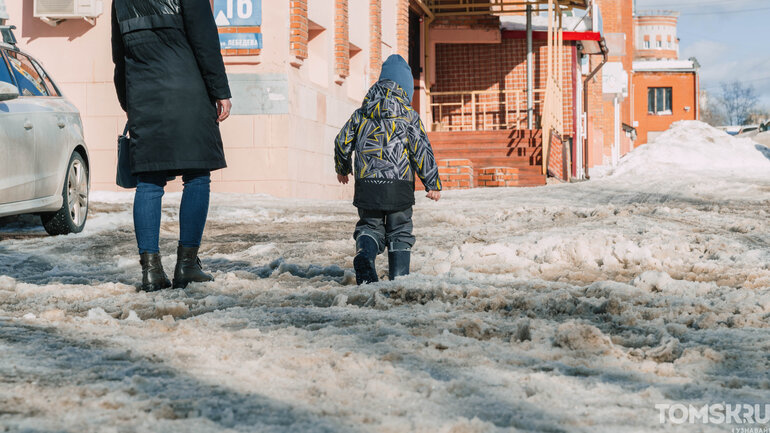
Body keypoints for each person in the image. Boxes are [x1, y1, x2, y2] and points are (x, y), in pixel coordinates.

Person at [111, 0, 232, 291]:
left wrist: (129, 103)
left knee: (149, 182)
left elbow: (119, 56)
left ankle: (151, 272)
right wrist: (220, 91)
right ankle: (187, 265)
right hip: (188, 92)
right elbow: (205, 40)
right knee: (197, 176)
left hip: (144, 97)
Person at [334, 54, 442, 285]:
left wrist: (342, 167)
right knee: (400, 230)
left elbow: (341, 141)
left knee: (369, 226)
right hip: (399, 186)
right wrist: (431, 183)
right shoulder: (409, 116)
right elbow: (421, 149)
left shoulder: (361, 113)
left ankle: (365, 255)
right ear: (405, 89)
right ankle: (399, 280)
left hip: (367, 186)